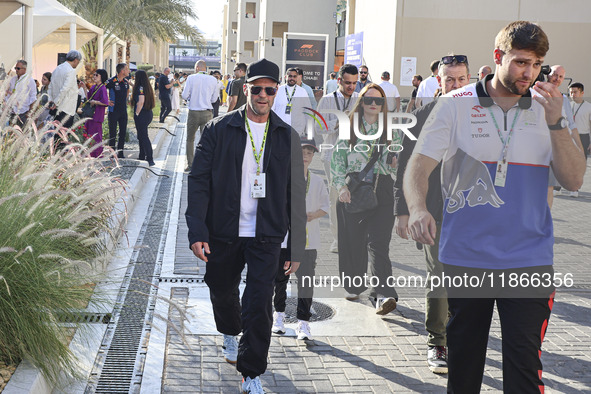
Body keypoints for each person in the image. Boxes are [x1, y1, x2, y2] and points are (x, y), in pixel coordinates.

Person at [404, 21, 585, 393]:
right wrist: (418, 208)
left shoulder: (549, 107)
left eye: (536, 64)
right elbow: (418, 166)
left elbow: (574, 180)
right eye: (521, 62)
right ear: (498, 56)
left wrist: (556, 121)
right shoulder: (454, 105)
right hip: (466, 257)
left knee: (524, 368)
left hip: (529, 259)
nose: (529, 73)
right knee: (465, 367)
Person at [186, 58, 306, 394]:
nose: (263, 95)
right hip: (224, 231)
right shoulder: (218, 129)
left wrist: (295, 245)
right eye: (257, 89)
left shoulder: (286, 136)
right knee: (221, 288)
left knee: (259, 304)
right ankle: (228, 329)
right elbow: (198, 182)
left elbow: (296, 194)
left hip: (267, 234)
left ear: (277, 91)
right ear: (246, 89)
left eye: (269, 89)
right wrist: (197, 231)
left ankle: (251, 373)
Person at [394, 54, 472, 375]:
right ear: (438, 82)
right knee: (439, 275)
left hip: (474, 212)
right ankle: (437, 340)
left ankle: (463, 335)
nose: (454, 85)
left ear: (469, 80)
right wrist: (404, 210)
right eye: (448, 80)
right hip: (434, 212)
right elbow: (404, 164)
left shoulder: (484, 115)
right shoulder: (422, 116)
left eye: (460, 79)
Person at [331, 83, 401, 312]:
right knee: (353, 241)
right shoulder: (348, 126)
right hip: (354, 189)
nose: (373, 104)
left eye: (378, 100)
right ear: (361, 102)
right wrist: (341, 187)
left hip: (383, 188)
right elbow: (337, 160)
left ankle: (382, 295)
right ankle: (353, 284)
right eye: (369, 99)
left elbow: (400, 160)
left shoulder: (392, 129)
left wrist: (395, 161)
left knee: (378, 243)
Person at [272, 138, 329, 340]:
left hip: (308, 240)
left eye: (309, 153)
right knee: (280, 279)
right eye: (302, 153)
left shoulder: (317, 180)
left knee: (306, 280)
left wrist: (313, 215)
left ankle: (303, 323)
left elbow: (326, 205)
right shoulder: (284, 178)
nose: (305, 157)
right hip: (285, 238)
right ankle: (278, 316)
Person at [315, 64, 359, 255]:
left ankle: (356, 236)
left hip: (357, 155)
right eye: (348, 83)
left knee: (356, 196)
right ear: (339, 80)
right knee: (336, 197)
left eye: (355, 83)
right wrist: (338, 123)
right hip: (332, 155)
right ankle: (337, 239)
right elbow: (317, 127)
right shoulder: (326, 100)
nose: (351, 87)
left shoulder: (361, 98)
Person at [548, 65, 580, 199]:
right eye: (555, 74)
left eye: (561, 76)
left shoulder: (564, 99)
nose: (557, 79)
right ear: (548, 74)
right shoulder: (535, 94)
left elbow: (570, 122)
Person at [181, 60, 218, 171]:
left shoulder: (191, 78)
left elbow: (184, 95)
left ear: (197, 68)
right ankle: (204, 165)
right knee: (206, 140)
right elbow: (214, 99)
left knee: (190, 139)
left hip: (194, 112)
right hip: (207, 112)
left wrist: (191, 98)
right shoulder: (213, 79)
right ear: (205, 68)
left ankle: (191, 164)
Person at [48, 50, 82, 128]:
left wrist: (51, 101)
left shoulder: (57, 69)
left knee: (56, 134)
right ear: (75, 60)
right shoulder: (71, 71)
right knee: (64, 135)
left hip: (56, 108)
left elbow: (50, 87)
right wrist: (56, 102)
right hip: (66, 108)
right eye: (78, 62)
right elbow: (65, 89)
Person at [271, 67, 309, 135]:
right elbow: (271, 109)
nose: (292, 78)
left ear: (297, 78)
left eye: (294, 76)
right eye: (290, 76)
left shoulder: (302, 92)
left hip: (297, 129)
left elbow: (308, 111)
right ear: (285, 77)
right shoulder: (278, 90)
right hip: (279, 129)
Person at [132, 70, 156, 166]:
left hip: (142, 114)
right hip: (148, 113)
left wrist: (137, 113)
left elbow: (141, 102)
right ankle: (142, 155)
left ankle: (150, 158)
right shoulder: (146, 87)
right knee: (141, 135)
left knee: (144, 136)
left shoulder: (140, 88)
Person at [106, 63, 130, 158]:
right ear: (122, 71)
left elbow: (127, 93)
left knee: (123, 132)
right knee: (112, 133)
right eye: (127, 69)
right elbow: (102, 90)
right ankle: (112, 153)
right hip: (113, 111)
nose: (128, 71)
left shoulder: (125, 82)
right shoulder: (111, 81)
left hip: (123, 111)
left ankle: (120, 153)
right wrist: (107, 101)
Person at [84, 69, 109, 158]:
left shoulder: (103, 88)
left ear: (101, 77)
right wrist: (84, 87)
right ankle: (89, 154)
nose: (94, 76)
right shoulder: (93, 87)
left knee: (97, 136)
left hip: (97, 115)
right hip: (90, 115)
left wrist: (95, 102)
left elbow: (105, 102)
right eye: (94, 75)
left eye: (96, 75)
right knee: (88, 134)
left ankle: (97, 154)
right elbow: (88, 98)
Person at [5, 60, 37, 126]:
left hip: (23, 112)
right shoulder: (13, 79)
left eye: (18, 68)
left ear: (24, 69)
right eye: (15, 68)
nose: (16, 70)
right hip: (12, 111)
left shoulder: (30, 80)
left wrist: (30, 112)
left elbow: (33, 97)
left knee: (22, 132)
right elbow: (8, 93)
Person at [569, 82, 591, 160]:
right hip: (570, 136)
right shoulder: (568, 105)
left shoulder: (588, 107)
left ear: (582, 93)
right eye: (571, 92)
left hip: (583, 137)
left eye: (575, 92)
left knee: (581, 161)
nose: (572, 95)